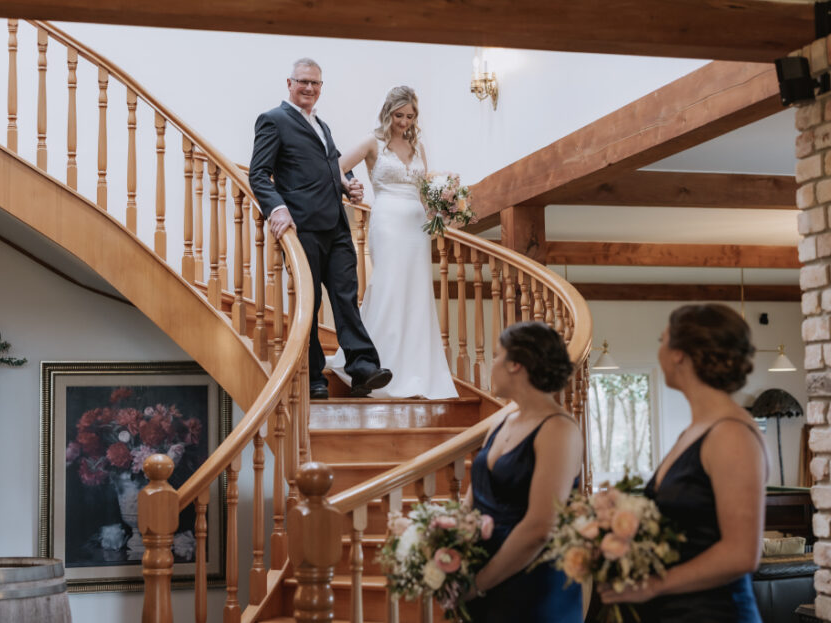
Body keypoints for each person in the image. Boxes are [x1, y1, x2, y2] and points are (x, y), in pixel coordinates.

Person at [600, 304, 767, 622]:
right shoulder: (694, 431)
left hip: (715, 613)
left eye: (662, 340)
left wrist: (652, 586)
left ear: (679, 354)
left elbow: (742, 553)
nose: (660, 350)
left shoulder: (731, 433)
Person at [249, 58, 391, 400]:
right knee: (309, 305)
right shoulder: (274, 120)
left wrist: (351, 184)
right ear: (289, 83)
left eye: (315, 83)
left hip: (337, 227)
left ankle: (363, 369)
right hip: (303, 229)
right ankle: (314, 376)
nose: (309, 88)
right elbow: (258, 173)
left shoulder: (322, 126)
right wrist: (277, 209)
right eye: (303, 82)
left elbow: (337, 164)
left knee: (346, 299)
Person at [326, 86, 457, 399]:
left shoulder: (418, 147)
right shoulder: (374, 142)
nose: (404, 122)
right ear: (389, 112)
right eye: (399, 115)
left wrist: (443, 205)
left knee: (416, 291)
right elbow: (337, 167)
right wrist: (351, 186)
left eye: (410, 116)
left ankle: (415, 370)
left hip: (416, 225)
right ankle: (369, 361)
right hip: (386, 220)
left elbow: (425, 192)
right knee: (387, 285)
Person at [465, 321, 584, 622]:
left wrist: (478, 585)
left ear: (516, 364)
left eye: (496, 355)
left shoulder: (559, 429)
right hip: (482, 577)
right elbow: (473, 498)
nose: (491, 364)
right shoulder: (499, 422)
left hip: (533, 585)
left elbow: (540, 527)